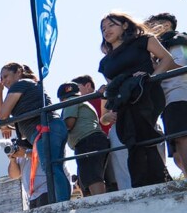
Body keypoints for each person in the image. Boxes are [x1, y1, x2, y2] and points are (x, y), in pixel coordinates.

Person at [98, 12, 177, 188]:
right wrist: (106, 95)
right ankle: (152, 181)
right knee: (131, 139)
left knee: (142, 133)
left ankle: (152, 181)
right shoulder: (104, 62)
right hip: (124, 101)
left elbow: (167, 59)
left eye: (111, 25)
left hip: (146, 94)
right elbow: (112, 85)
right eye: (103, 28)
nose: (106, 31)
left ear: (125, 25)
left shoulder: (143, 40)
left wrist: (152, 78)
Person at [0, 62, 71, 203]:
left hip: (46, 130)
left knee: (52, 168)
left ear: (18, 72)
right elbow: (3, 119)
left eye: (6, 76)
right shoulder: (29, 85)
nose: (3, 81)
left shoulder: (20, 84)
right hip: (52, 127)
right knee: (55, 166)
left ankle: (63, 204)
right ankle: (65, 202)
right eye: (1, 78)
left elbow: (2, 115)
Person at [71, 74, 129, 191]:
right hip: (104, 144)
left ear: (88, 86)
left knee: (104, 178)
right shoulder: (89, 101)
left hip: (105, 143)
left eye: (77, 87)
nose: (74, 92)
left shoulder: (93, 100)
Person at [146, 13, 187, 175]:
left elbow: (180, 66)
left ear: (167, 25)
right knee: (176, 148)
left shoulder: (177, 39)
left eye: (153, 25)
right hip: (168, 100)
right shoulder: (163, 44)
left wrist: (157, 65)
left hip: (179, 94)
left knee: (182, 139)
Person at [57, 82, 110, 197]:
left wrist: (54, 127)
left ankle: (101, 202)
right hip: (93, 139)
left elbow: (69, 123)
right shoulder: (82, 101)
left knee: (92, 176)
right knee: (90, 177)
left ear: (61, 100)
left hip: (87, 140)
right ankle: (100, 200)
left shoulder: (71, 101)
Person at [4, 138, 50, 209]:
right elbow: (14, 176)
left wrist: (25, 154)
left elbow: (46, 158)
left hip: (46, 190)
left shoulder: (38, 137)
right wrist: (12, 160)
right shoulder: (19, 143)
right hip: (32, 196)